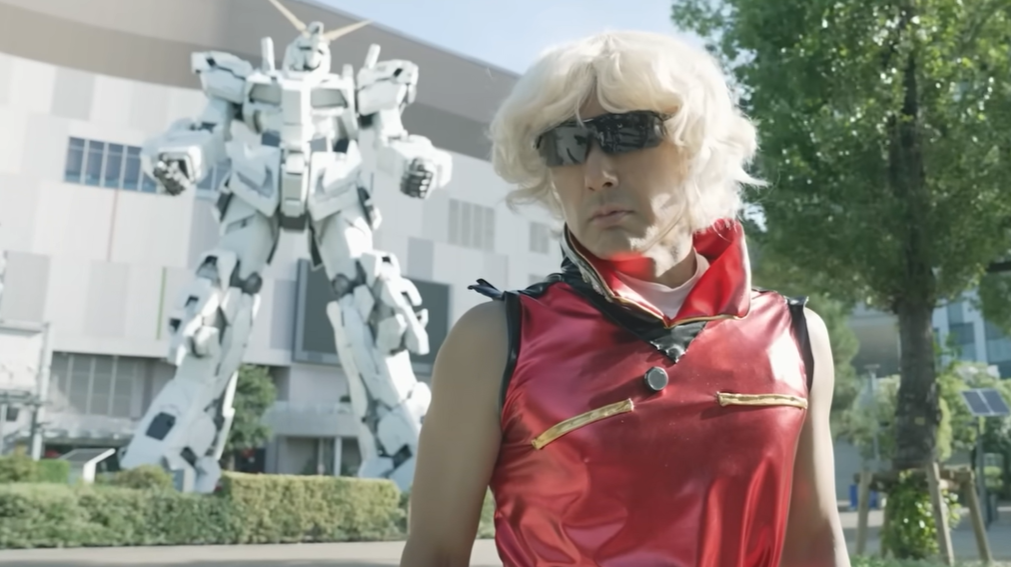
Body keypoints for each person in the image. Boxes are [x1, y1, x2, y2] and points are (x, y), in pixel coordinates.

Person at [400, 30, 849, 567]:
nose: (597, 175)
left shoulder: (794, 336)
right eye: (566, 146)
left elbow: (816, 543)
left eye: (627, 133)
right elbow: (434, 553)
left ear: (694, 147)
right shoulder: (494, 342)